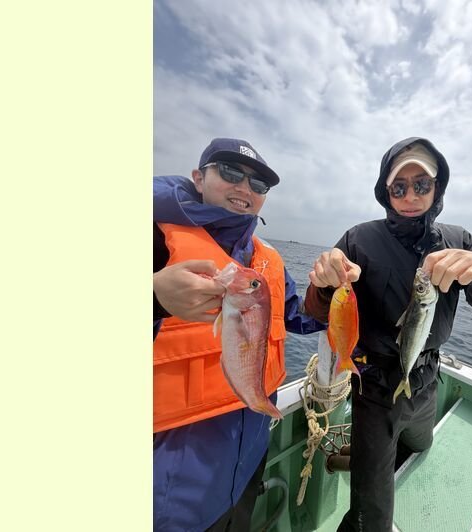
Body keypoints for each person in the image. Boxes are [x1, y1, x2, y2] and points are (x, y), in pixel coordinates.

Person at [304, 137, 472, 531]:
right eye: (399, 187)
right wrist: (324, 284)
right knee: (371, 510)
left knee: (420, 444)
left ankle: (364, 457)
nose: (410, 196)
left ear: (437, 188)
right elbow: (318, 311)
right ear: (385, 191)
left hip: (426, 378)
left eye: (421, 184)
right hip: (374, 387)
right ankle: (366, 464)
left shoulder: (459, 242)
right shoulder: (359, 239)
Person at [153, 138, 325, 531]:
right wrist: (153, 297)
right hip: (170, 488)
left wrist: (329, 292)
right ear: (199, 178)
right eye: (230, 172)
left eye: (258, 184)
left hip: (247, 464)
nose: (245, 187)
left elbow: (299, 317)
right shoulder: (155, 238)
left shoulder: (269, 260)